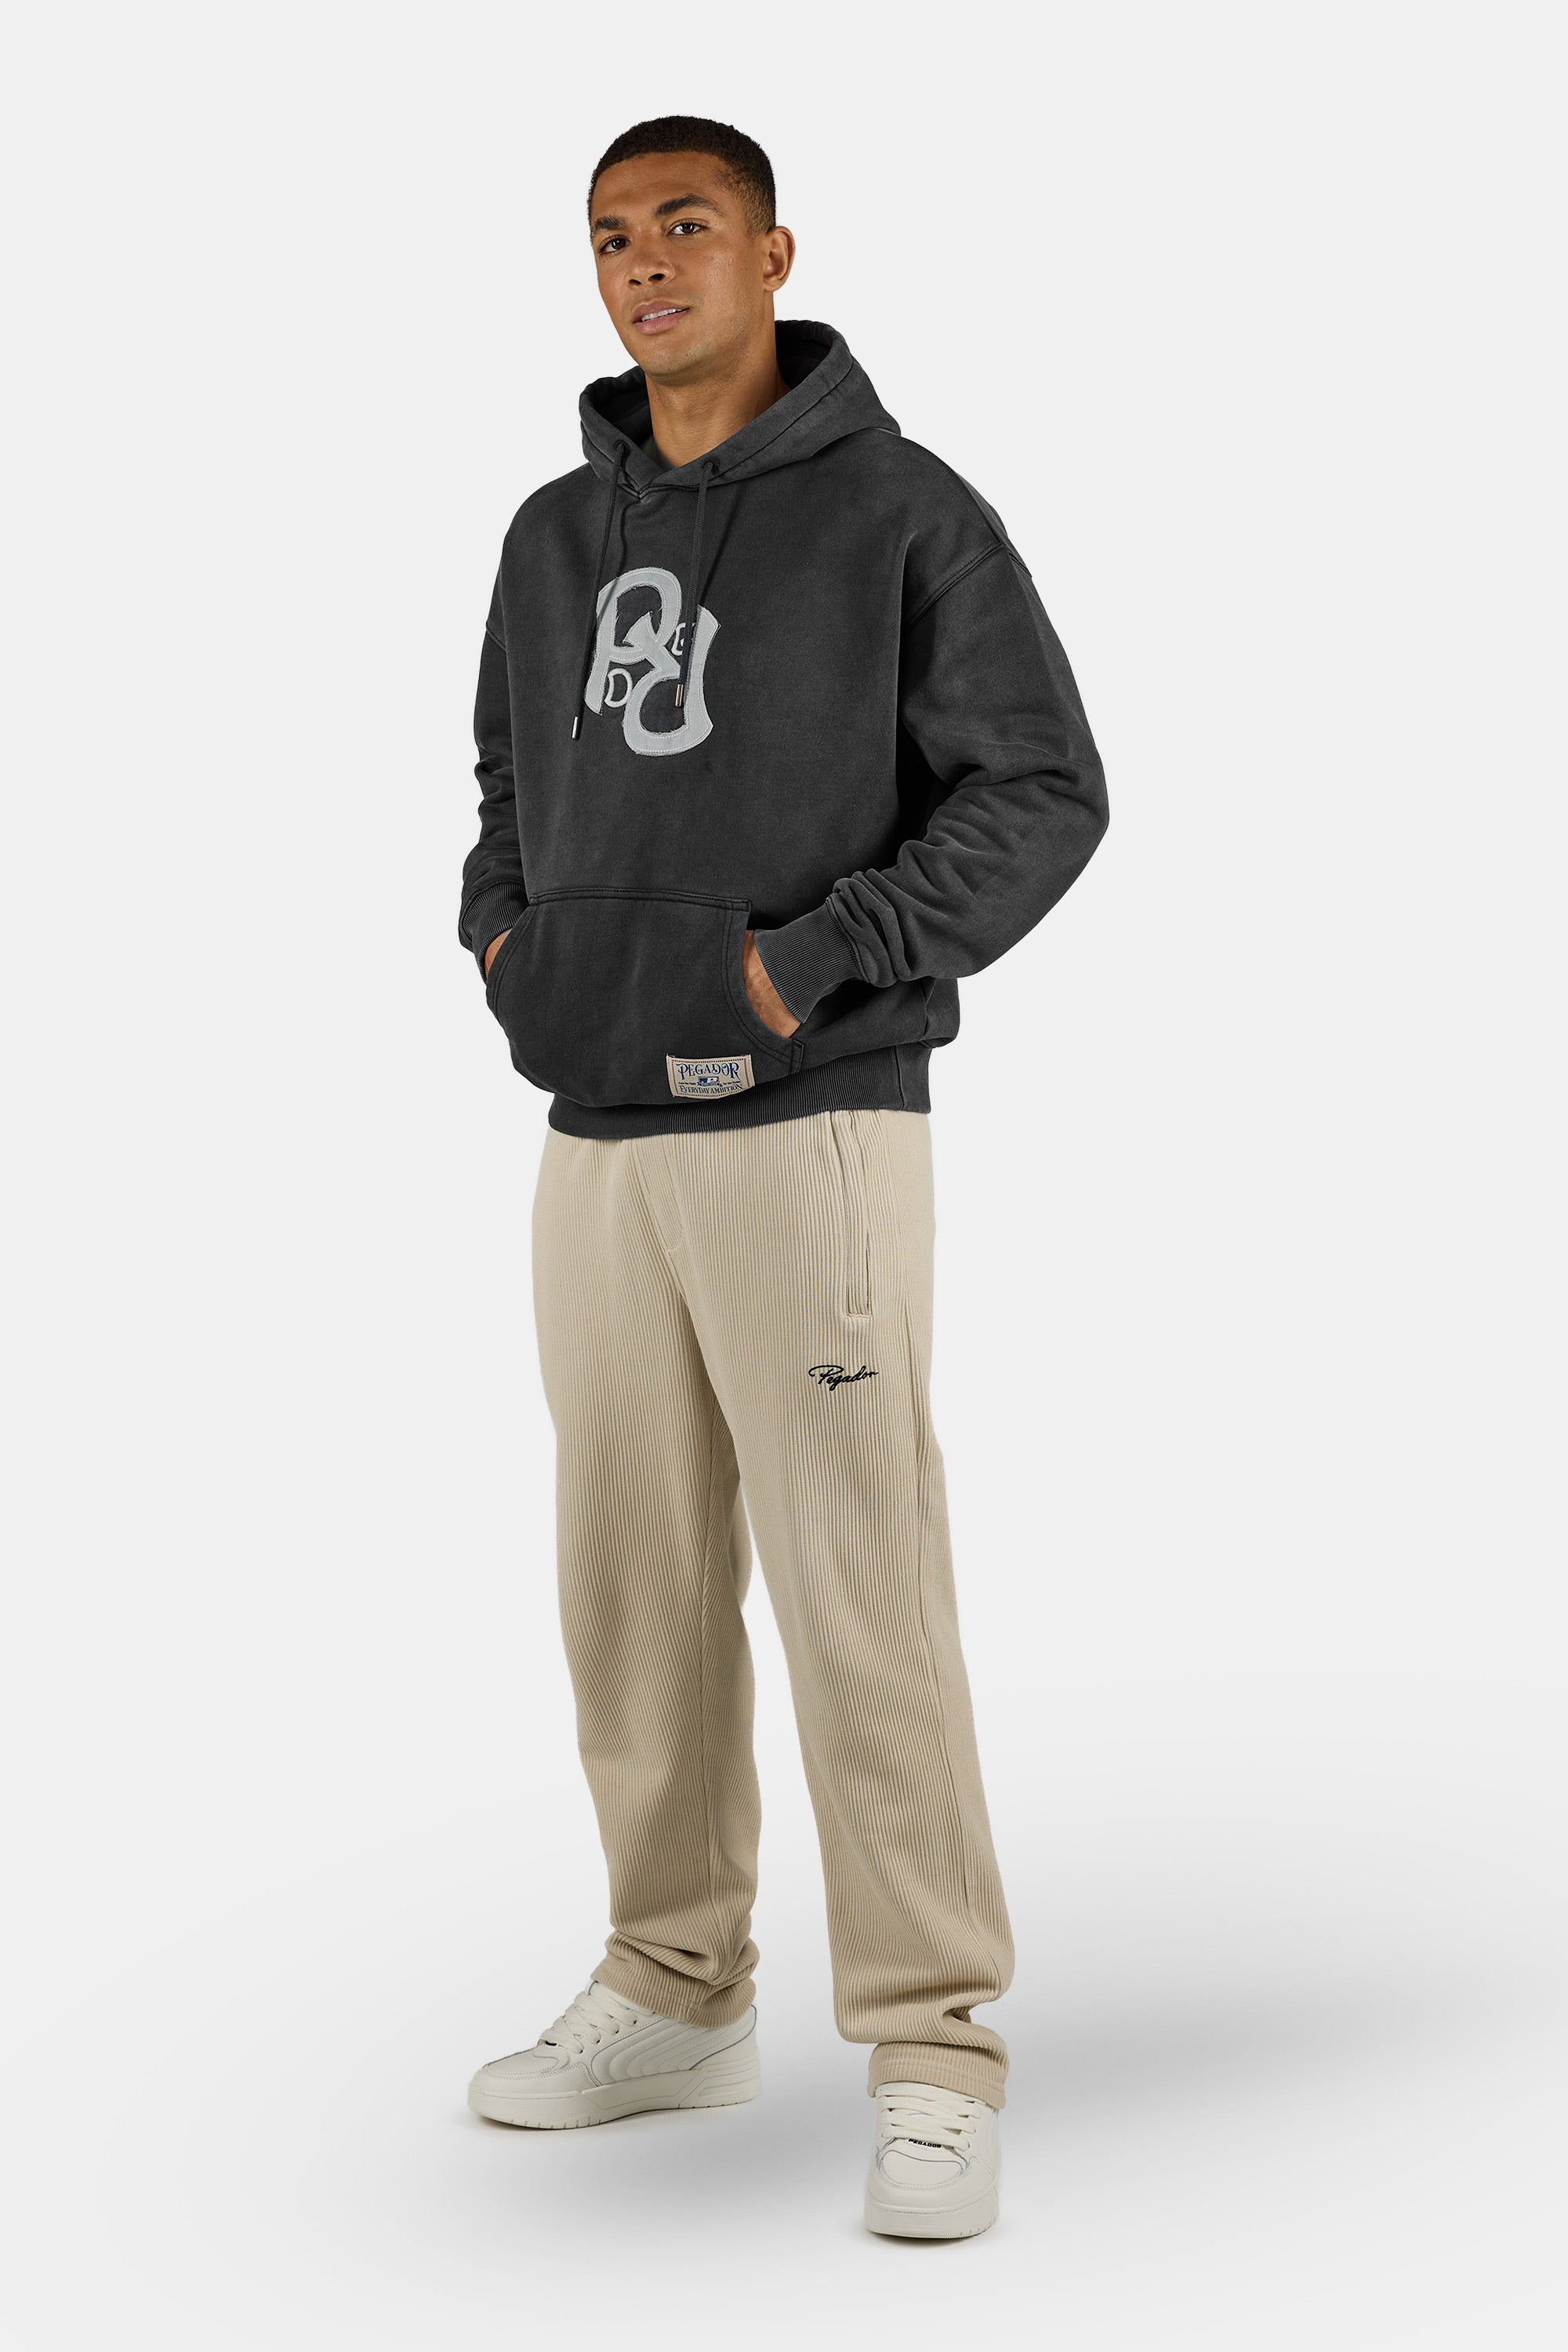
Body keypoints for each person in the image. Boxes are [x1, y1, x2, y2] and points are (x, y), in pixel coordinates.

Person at [459, 114, 1107, 2241]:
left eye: (686, 227)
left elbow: (1042, 789)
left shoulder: (904, 511)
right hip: (598, 1131)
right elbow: (508, 779)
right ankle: (674, 1980)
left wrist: (804, 964)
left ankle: (935, 2045)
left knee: (857, 1580)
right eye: (612, 238)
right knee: (627, 1583)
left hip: (813, 1122)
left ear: (773, 255)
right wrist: (509, 943)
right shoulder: (552, 530)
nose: (645, 265)